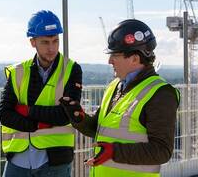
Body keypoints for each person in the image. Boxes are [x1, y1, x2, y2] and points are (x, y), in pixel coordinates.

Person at [60, 19, 180, 177]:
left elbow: (161, 151)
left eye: (115, 55)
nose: (109, 61)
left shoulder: (161, 94)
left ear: (135, 58)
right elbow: (99, 130)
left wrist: (114, 152)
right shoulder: (114, 86)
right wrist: (78, 117)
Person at [0, 10, 83, 177]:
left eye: (55, 41)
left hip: (55, 161)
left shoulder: (72, 69)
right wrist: (36, 125)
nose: (51, 48)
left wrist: (27, 111)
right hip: (18, 160)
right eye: (45, 42)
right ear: (33, 42)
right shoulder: (17, 72)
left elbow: (66, 115)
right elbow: (5, 114)